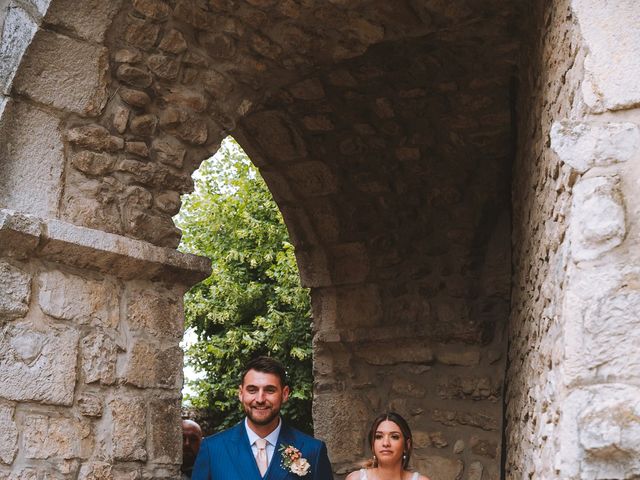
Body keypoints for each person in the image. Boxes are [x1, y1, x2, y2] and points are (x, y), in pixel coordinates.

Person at [192, 356, 334, 479]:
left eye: (269, 390)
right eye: (252, 390)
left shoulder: (313, 450)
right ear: (241, 394)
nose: (260, 399)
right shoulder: (213, 449)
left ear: (284, 394)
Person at [346, 412, 430, 480]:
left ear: (406, 445)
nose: (386, 443)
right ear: (372, 444)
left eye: (394, 437)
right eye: (378, 436)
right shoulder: (355, 478)